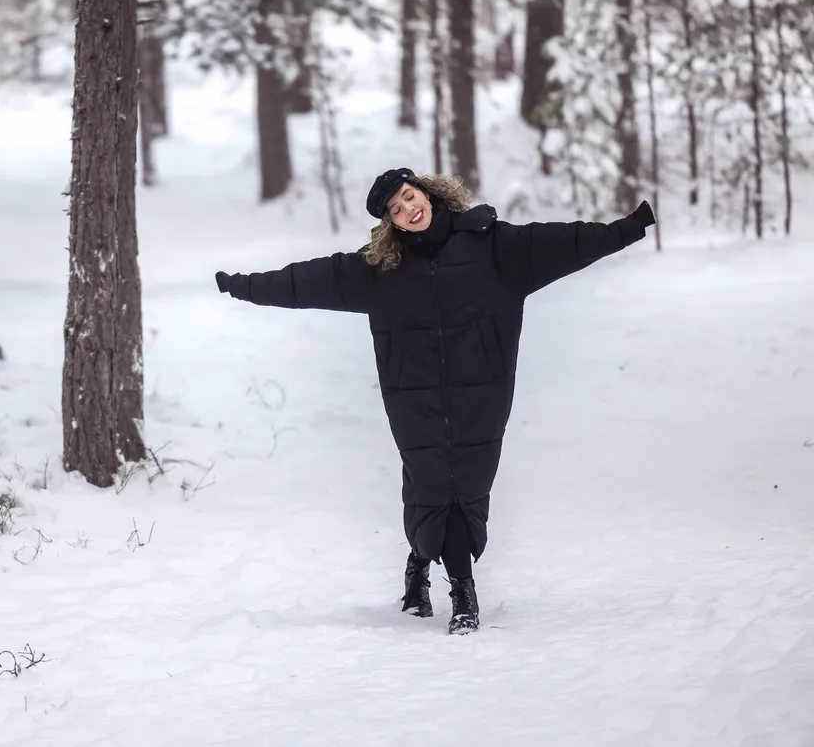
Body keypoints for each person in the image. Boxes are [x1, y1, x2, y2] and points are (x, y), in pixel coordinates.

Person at [214, 168, 656, 635]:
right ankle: (463, 590)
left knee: (467, 483)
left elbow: (563, 243)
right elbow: (304, 282)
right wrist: (243, 285)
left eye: (410, 197)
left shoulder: (493, 246)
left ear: (428, 191)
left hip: (481, 393)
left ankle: (419, 563)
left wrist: (626, 229)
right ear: (392, 223)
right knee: (429, 483)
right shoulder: (378, 270)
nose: (410, 210)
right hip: (414, 398)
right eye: (397, 210)